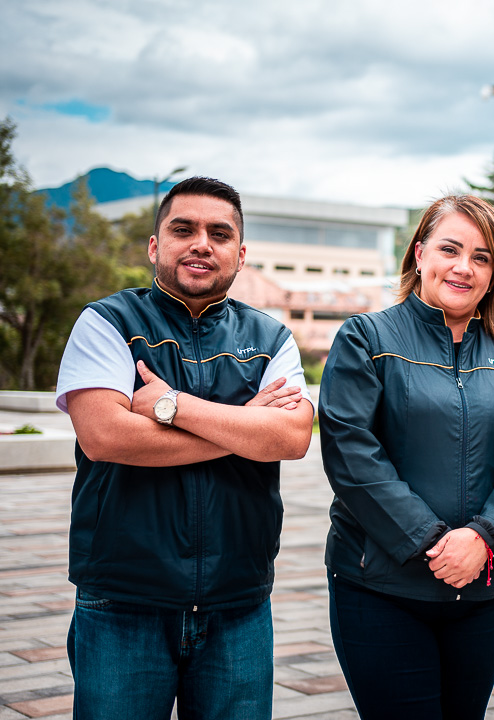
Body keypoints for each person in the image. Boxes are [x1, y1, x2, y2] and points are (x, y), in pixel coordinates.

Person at [55, 176, 314, 720]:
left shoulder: (271, 338)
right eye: (183, 229)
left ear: (239, 255)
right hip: (123, 599)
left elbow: (290, 438)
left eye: (219, 233)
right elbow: (105, 437)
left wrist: (172, 407)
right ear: (155, 245)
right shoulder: (107, 323)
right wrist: (245, 429)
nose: (202, 243)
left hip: (238, 603)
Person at [319, 194, 494, 720]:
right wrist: (431, 544)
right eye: (450, 249)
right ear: (420, 253)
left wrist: (483, 538)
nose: (463, 267)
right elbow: (351, 452)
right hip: (379, 587)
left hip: (482, 591)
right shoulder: (367, 338)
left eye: (481, 257)